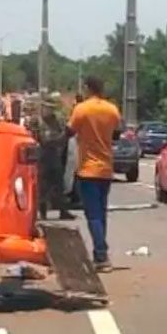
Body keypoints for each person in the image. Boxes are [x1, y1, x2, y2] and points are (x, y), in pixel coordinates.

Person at [67, 77, 121, 272]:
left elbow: (69, 131)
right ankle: (100, 253)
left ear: (88, 88)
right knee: (101, 214)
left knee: (93, 215)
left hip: (88, 169)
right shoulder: (111, 109)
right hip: (106, 168)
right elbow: (116, 133)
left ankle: (101, 255)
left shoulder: (82, 109)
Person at [34, 100, 75, 221]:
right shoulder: (38, 121)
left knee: (59, 184)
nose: (49, 111)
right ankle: (42, 212)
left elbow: (62, 136)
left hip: (55, 155)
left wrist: (63, 136)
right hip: (43, 156)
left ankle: (63, 211)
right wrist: (62, 137)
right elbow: (45, 140)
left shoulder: (57, 121)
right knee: (43, 186)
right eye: (47, 108)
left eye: (51, 109)